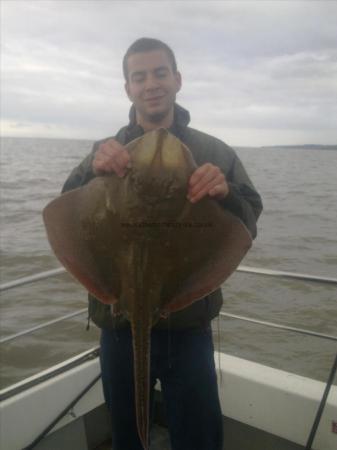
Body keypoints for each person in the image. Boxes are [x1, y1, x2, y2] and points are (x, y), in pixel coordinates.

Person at [62, 38, 263, 450]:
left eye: (160, 73)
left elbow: (248, 219)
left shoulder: (213, 151)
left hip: (188, 326)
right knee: (126, 436)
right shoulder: (106, 152)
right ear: (128, 88)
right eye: (140, 76)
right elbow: (66, 209)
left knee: (199, 437)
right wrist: (91, 171)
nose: (151, 84)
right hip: (120, 329)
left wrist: (225, 193)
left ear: (177, 79)